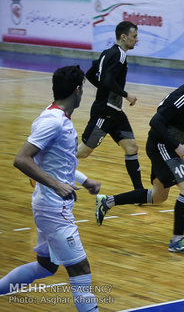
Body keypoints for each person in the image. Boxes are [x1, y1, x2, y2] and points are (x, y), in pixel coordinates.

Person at [0, 65, 102, 311]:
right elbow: (22, 159)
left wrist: (84, 180)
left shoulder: (56, 117)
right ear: (77, 90)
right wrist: (56, 185)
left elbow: (56, 163)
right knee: (81, 269)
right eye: (83, 90)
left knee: (46, 266)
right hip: (54, 210)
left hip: (49, 206)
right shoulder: (53, 121)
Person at [94, 64, 184, 254]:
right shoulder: (183, 97)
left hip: (163, 145)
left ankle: (108, 202)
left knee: (158, 197)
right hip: (162, 145)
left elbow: (180, 117)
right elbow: (156, 121)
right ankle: (177, 241)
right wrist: (176, 146)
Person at [78, 21, 143, 190]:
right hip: (104, 112)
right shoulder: (119, 55)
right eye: (134, 36)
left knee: (131, 147)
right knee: (83, 152)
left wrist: (106, 89)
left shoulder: (107, 53)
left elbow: (91, 74)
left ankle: (139, 192)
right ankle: (45, 166)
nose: (137, 40)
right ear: (124, 37)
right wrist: (126, 94)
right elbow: (106, 80)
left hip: (115, 112)